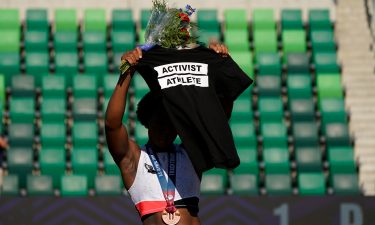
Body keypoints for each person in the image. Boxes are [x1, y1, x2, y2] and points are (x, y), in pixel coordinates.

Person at [105, 43, 231, 225]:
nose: (165, 130)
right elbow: (112, 125)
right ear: (147, 123)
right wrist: (127, 73)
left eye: (171, 125)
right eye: (159, 124)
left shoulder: (191, 154)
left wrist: (219, 66)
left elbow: (220, 118)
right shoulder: (134, 159)